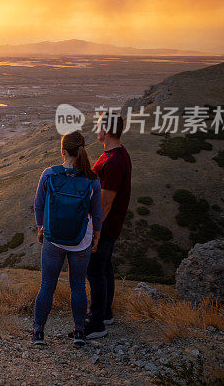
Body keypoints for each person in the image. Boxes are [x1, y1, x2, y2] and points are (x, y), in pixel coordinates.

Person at [32, 130, 102, 347]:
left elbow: (38, 206)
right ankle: (79, 332)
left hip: (53, 239)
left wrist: (41, 227)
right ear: (82, 150)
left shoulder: (49, 174)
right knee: (78, 286)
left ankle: (38, 333)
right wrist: (96, 236)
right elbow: (97, 214)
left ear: (63, 151)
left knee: (47, 285)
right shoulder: (92, 179)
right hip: (82, 240)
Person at [83, 111, 132, 339]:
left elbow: (105, 203)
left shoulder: (114, 162)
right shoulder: (114, 155)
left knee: (95, 272)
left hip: (105, 226)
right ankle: (106, 313)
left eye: (99, 126)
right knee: (105, 269)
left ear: (106, 130)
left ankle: (96, 324)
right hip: (109, 226)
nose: (96, 130)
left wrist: (94, 233)